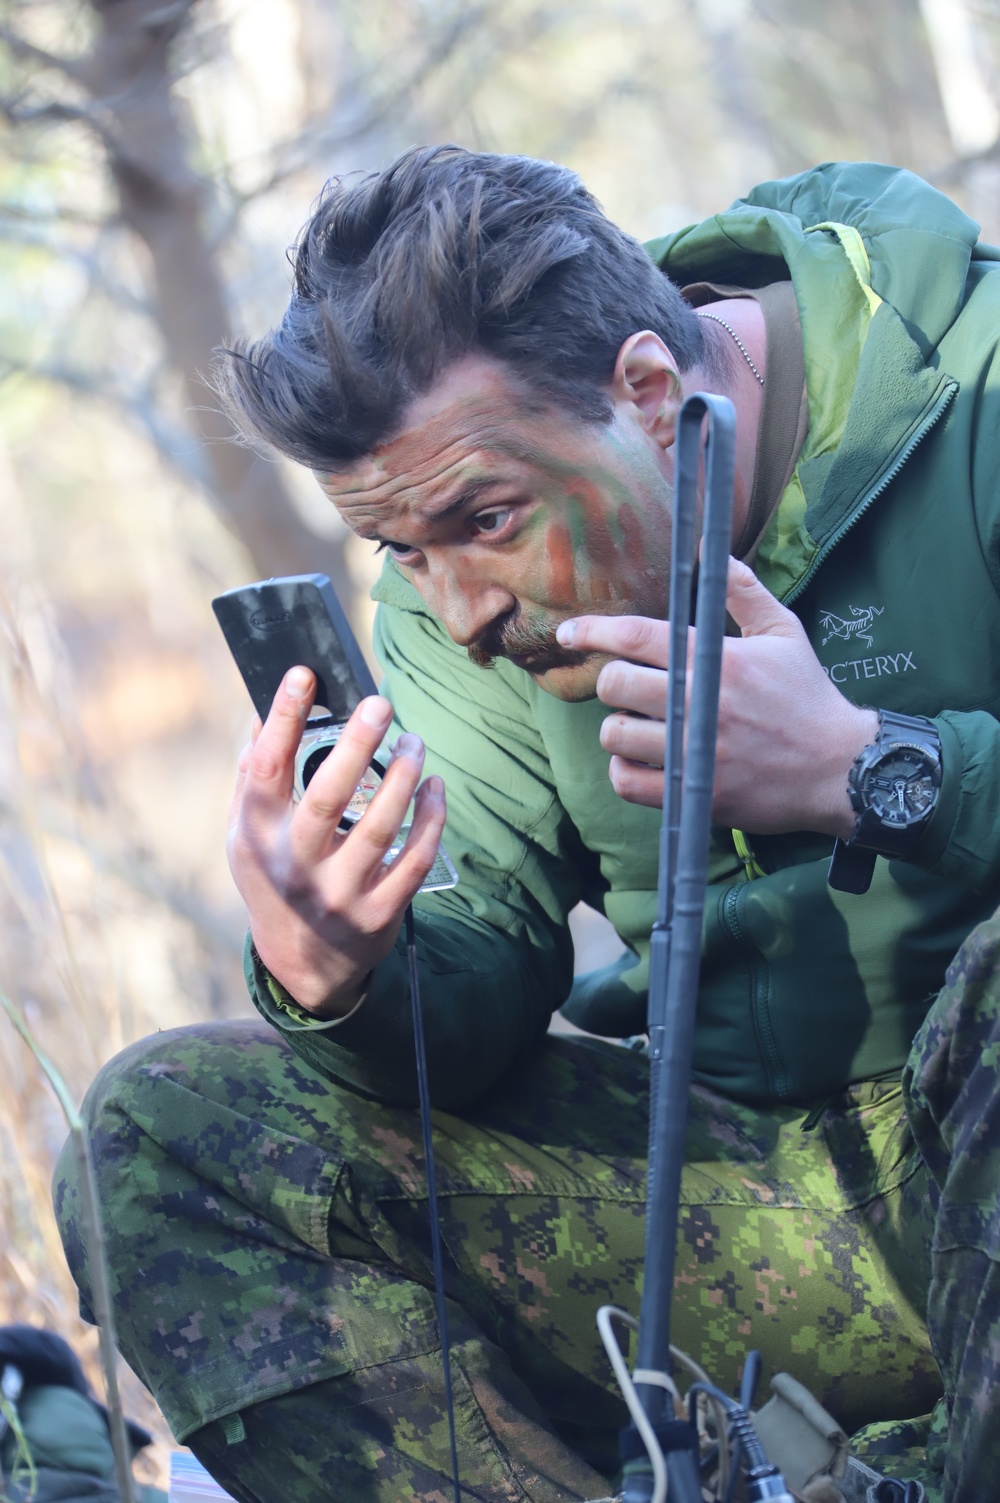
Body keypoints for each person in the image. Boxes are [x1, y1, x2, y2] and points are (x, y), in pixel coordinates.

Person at [53, 147, 1000, 1502]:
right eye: (403, 552)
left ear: (651, 396)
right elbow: (478, 978)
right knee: (156, 1135)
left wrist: (875, 769)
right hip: (763, 1211)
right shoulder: (464, 625)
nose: (459, 613)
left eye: (484, 521)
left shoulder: (979, 395)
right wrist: (347, 970)